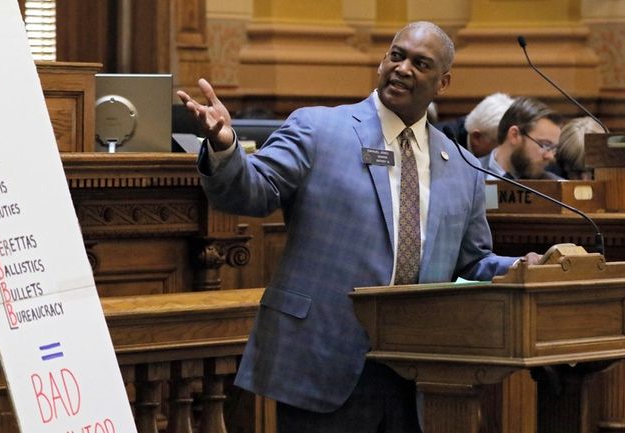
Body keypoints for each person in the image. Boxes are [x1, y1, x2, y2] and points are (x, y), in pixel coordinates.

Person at [177, 21, 537, 433]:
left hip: (419, 370)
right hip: (324, 358)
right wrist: (225, 148)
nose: (402, 69)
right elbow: (251, 193)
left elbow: (472, 261)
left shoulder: (462, 165)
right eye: (397, 55)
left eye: (421, 64)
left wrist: (525, 266)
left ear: (443, 82)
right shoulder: (318, 128)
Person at [478, 96, 563, 180]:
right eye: (545, 145)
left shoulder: (557, 187)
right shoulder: (471, 173)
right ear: (514, 135)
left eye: (553, 148)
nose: (550, 156)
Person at [435, 92, 513, 158]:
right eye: (502, 144)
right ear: (477, 137)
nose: (508, 150)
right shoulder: (439, 145)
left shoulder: (478, 124)